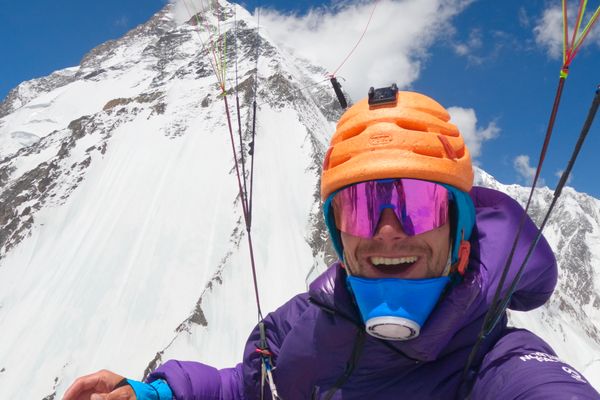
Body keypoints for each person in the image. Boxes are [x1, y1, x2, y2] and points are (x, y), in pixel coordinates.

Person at [64, 88, 600, 399]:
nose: (388, 230)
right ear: (338, 236)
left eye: (418, 206)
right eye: (361, 208)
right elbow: (251, 387)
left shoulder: (499, 360)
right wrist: (157, 393)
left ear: (462, 233)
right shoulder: (307, 320)